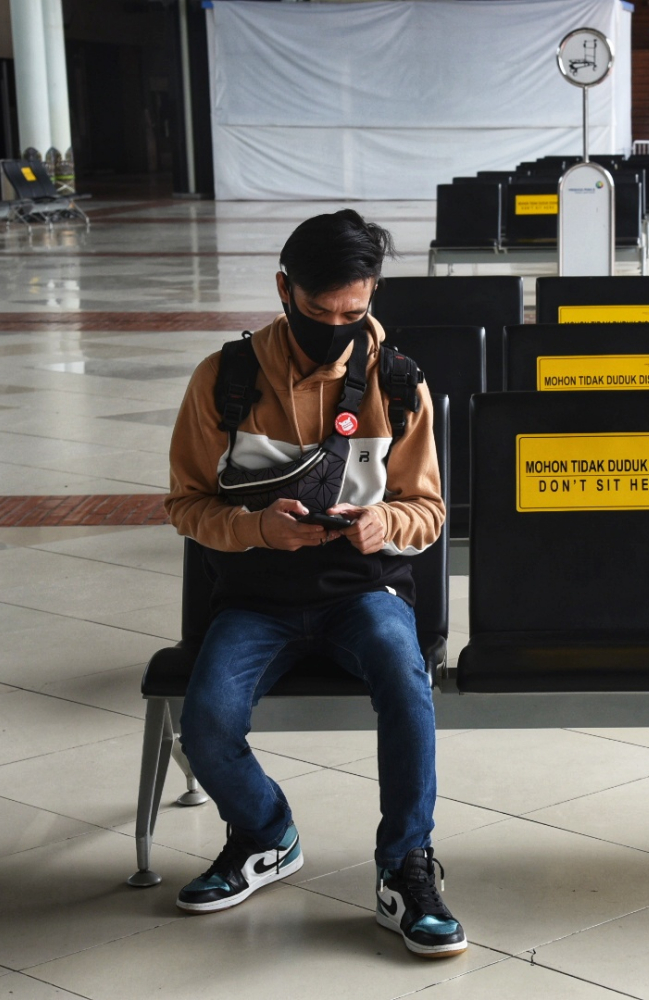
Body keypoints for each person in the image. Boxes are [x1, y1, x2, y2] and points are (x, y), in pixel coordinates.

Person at [164, 210, 464, 958]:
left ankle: (406, 866)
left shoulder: (398, 387)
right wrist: (260, 528)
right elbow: (187, 503)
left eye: (354, 313)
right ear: (283, 289)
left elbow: (428, 512)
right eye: (317, 312)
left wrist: (384, 524)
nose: (336, 326)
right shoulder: (223, 382)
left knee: (406, 682)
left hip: (365, 591)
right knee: (204, 720)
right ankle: (265, 833)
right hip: (256, 598)